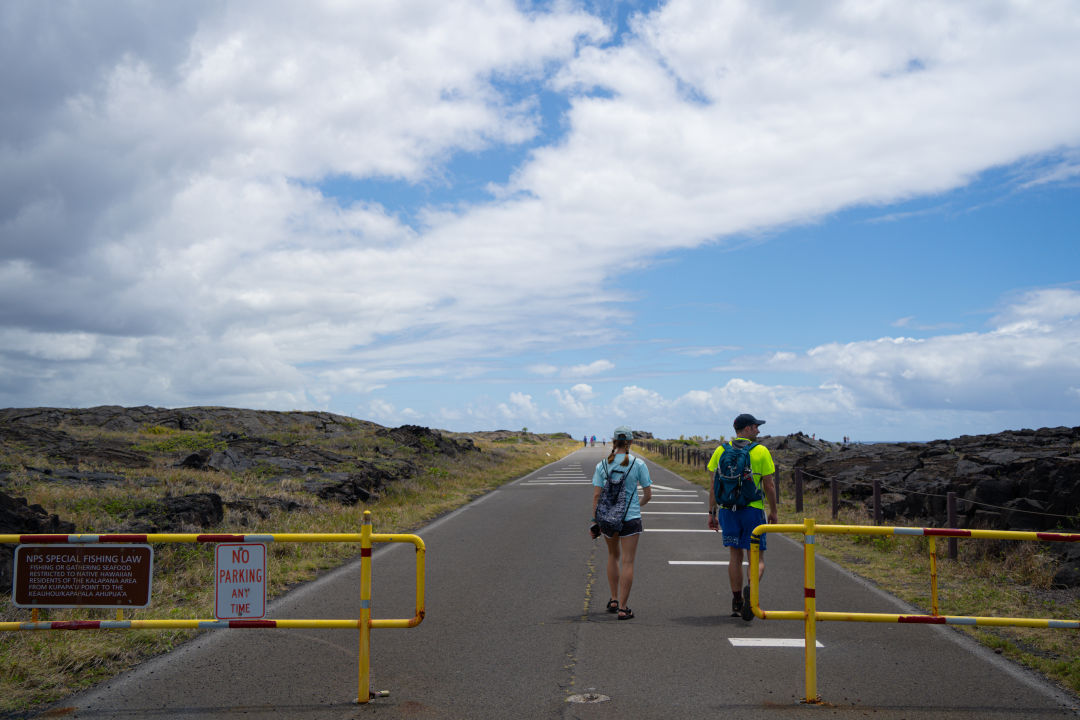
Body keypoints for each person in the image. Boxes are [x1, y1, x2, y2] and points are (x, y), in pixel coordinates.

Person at [706, 413, 777, 621]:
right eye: (755, 427)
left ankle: (737, 601)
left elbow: (713, 485)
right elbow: (769, 485)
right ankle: (751, 591)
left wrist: (712, 512)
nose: (758, 430)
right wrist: (773, 511)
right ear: (746, 429)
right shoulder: (761, 451)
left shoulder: (721, 450)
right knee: (756, 557)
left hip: (728, 509)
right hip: (753, 509)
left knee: (734, 557)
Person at [591, 425, 652, 620]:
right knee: (628, 561)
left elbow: (596, 497)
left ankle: (614, 598)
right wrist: (636, 505)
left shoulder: (602, 465)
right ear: (631, 442)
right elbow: (648, 495)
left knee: (612, 555)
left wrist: (596, 520)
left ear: (613, 441)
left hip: (608, 519)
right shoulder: (638, 464)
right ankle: (624, 608)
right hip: (630, 517)